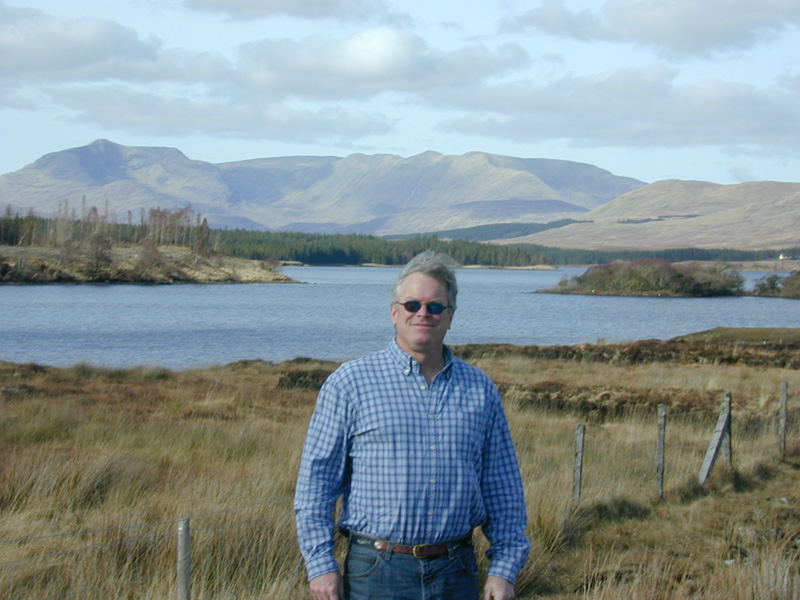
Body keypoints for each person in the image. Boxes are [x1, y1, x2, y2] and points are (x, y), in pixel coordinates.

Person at [294, 250, 529, 600]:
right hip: (376, 572)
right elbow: (317, 480)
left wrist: (504, 570)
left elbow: (502, 486)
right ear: (393, 312)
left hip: (457, 571)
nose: (423, 313)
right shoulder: (350, 383)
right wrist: (321, 564)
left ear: (450, 316)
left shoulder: (480, 389)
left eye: (435, 307)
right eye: (412, 305)